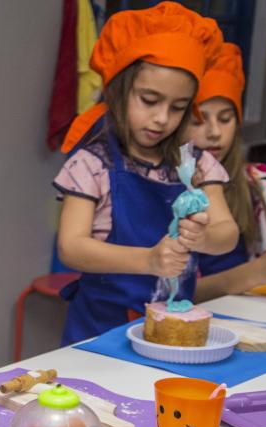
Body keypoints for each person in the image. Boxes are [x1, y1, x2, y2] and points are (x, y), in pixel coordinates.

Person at [53, 2, 239, 345]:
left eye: (178, 107)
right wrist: (149, 260)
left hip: (172, 332)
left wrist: (203, 238)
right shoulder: (92, 165)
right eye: (149, 100)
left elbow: (228, 233)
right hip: (97, 335)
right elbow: (71, 246)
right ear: (120, 90)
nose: (162, 118)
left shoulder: (196, 165)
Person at [186, 43, 266, 302]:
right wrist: (259, 272)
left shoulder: (259, 182)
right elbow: (167, 295)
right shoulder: (157, 189)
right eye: (198, 120)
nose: (215, 132)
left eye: (225, 118)